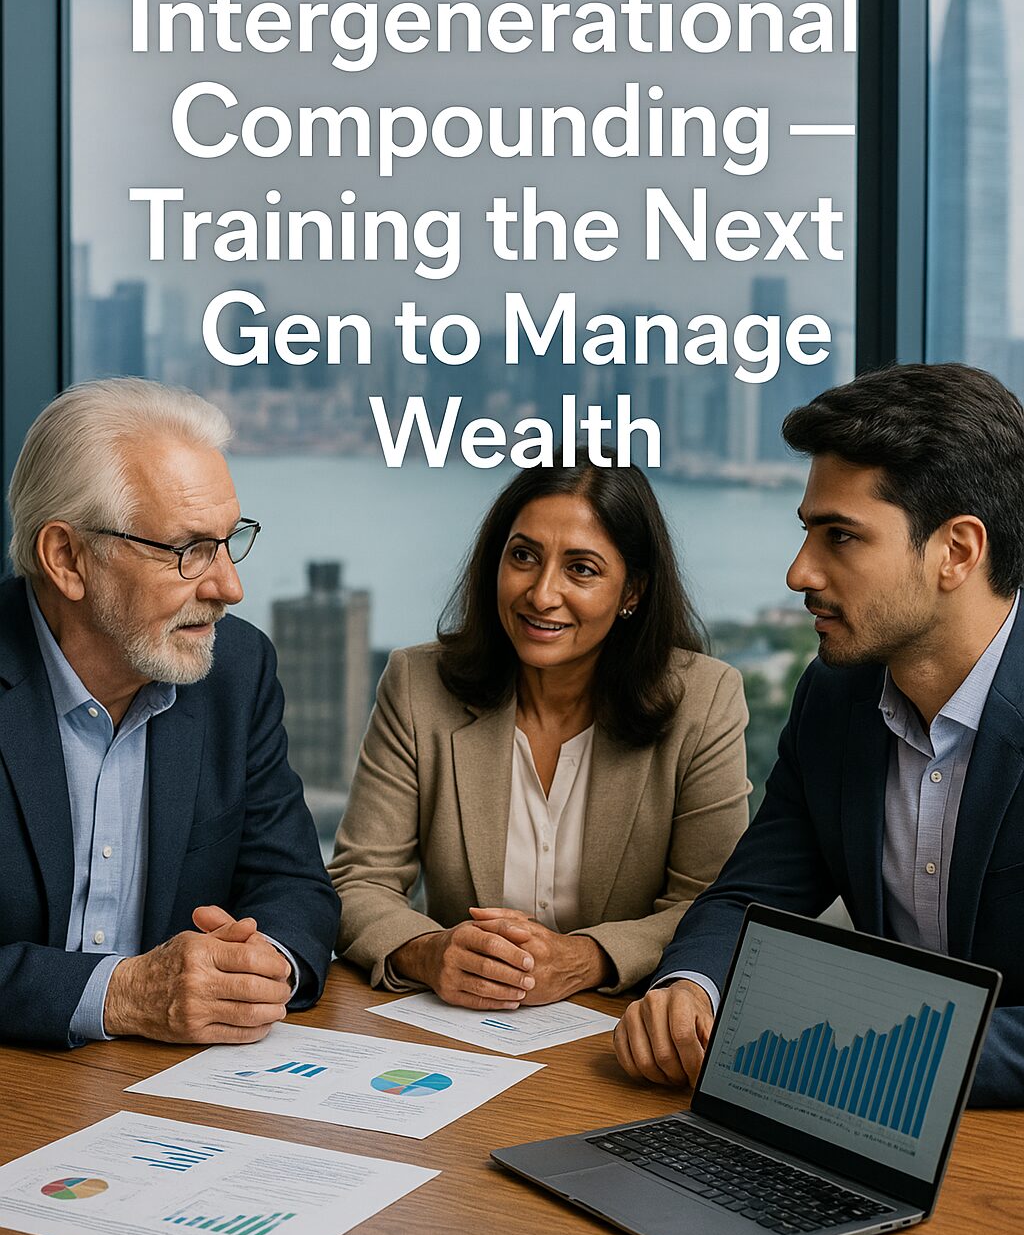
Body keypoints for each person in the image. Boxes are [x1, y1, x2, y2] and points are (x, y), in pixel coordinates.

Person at [615, 362, 1024, 1108]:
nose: (799, 572)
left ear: (957, 552)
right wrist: (691, 988)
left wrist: (861, 1046)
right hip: (863, 1129)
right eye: (808, 532)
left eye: (841, 537)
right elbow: (749, 898)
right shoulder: (836, 697)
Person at [330, 462, 749, 1008]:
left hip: (618, 1025)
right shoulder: (417, 684)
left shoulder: (705, 700)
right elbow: (359, 880)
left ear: (633, 591)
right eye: (523, 556)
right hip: (457, 1026)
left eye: (581, 569)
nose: (542, 594)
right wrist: (429, 951)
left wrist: (585, 958)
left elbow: (712, 905)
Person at [0, 378, 338, 1050]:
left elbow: (294, 884)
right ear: (66, 557)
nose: (229, 588)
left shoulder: (235, 669)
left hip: (173, 1090)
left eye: (228, 541)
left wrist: (256, 966)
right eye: (188, 552)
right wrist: (120, 994)